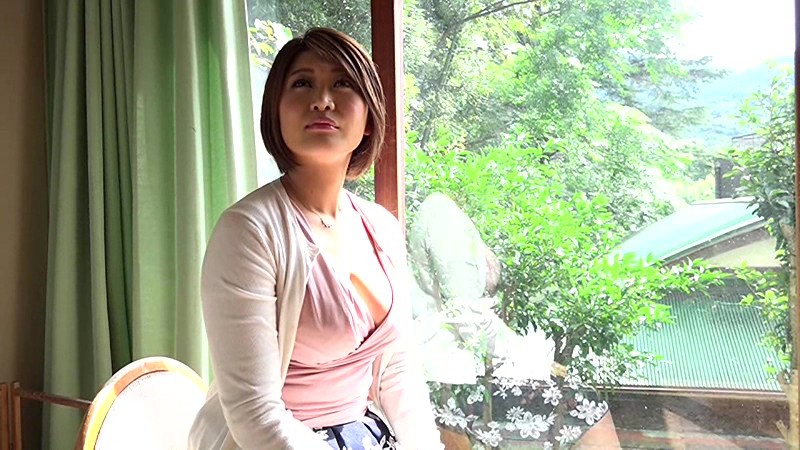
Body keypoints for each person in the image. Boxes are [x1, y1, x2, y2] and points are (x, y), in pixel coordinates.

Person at [188, 28, 444, 450]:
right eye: (302, 83)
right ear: (276, 112)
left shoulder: (381, 226)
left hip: (362, 434)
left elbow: (397, 372)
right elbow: (255, 414)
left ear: (368, 118)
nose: (322, 100)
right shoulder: (248, 231)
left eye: (342, 83)